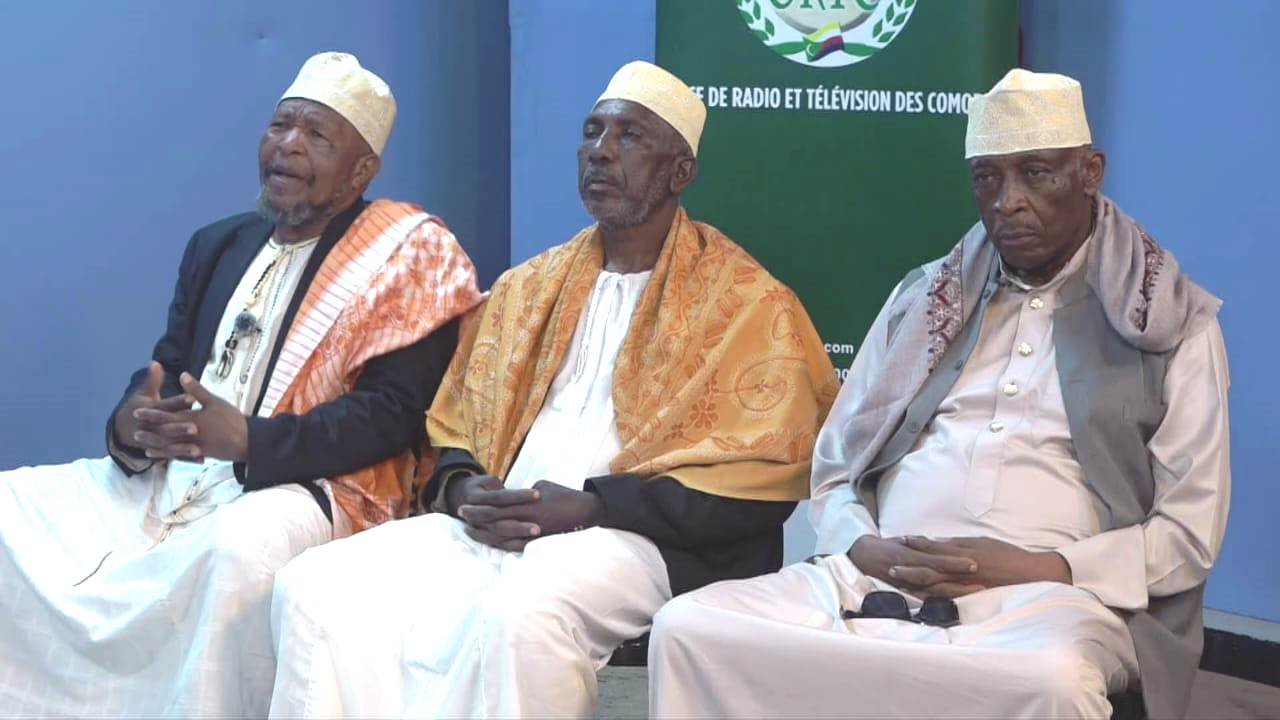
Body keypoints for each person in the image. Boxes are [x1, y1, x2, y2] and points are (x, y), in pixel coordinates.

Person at [648, 68, 1230, 720]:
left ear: (1089, 172)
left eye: (1035, 173)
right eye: (987, 178)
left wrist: (1041, 567)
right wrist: (862, 544)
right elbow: (835, 468)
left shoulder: (1173, 323)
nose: (1007, 201)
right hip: (879, 573)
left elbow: (1188, 535)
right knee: (687, 628)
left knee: (1051, 681)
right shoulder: (924, 301)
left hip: (1052, 598)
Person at [267, 60, 838, 718]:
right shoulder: (529, 286)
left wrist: (594, 507)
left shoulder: (749, 305)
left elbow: (757, 488)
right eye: (593, 132)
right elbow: (457, 428)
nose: (601, 151)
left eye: (631, 137)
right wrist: (464, 489)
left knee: (519, 613)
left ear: (680, 172)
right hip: (497, 525)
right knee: (316, 586)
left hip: (636, 539)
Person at [0, 51, 482, 717]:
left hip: (310, 485)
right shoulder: (219, 243)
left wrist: (251, 440)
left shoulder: (405, 258)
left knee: (235, 550)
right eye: (281, 125)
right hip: (177, 477)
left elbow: (392, 415)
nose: (288, 145)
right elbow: (168, 367)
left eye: (317, 135)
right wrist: (136, 422)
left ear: (361, 171)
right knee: (11, 505)